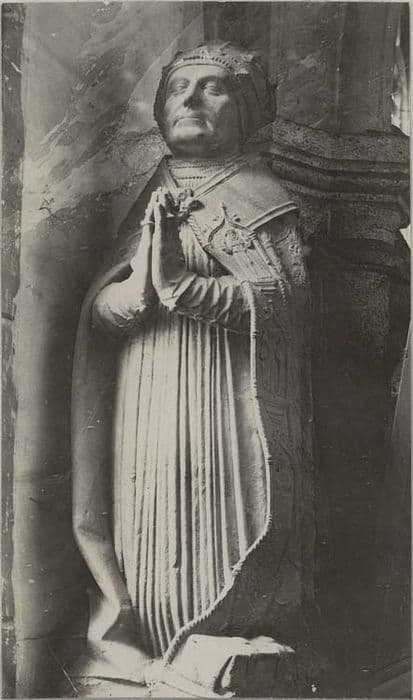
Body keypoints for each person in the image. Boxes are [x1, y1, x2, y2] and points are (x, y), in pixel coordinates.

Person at [72, 41, 314, 693]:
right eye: (179, 88)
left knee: (218, 518)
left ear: (248, 110)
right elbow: (102, 313)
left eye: (213, 87)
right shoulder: (150, 197)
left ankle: (216, 643)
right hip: (147, 394)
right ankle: (148, 648)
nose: (191, 100)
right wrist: (139, 290)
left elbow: (283, 306)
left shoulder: (264, 199)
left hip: (228, 398)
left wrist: (183, 286)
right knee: (149, 517)